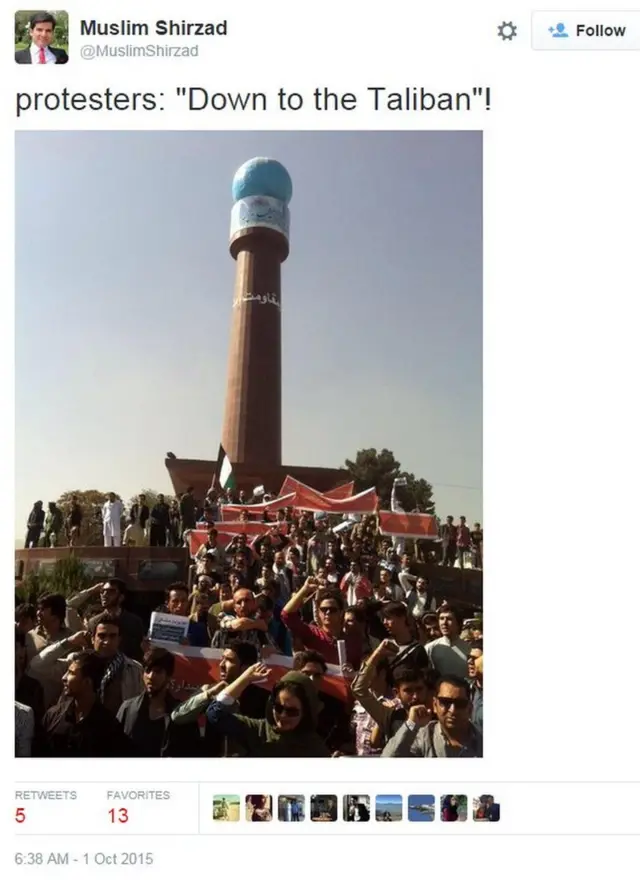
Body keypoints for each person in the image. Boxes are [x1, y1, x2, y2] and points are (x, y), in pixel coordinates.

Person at [206, 663, 331, 757]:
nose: (282, 716)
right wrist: (245, 678)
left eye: (292, 711)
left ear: (305, 712)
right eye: (278, 707)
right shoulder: (258, 730)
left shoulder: (316, 750)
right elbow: (215, 714)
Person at [171, 640, 269, 757]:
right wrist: (208, 694)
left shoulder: (263, 698)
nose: (221, 664)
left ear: (246, 668)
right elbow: (177, 716)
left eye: (229, 660)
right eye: (222, 658)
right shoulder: (210, 691)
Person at [40, 651, 132, 756]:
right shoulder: (53, 716)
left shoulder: (108, 727)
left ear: (87, 682)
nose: (64, 678)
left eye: (71, 673)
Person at [117, 647, 200, 757]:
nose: (151, 676)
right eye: (147, 670)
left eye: (158, 671)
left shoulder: (182, 716)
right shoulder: (128, 709)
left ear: (169, 676)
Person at [381, 675, 483, 757]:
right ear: (435, 705)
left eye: (460, 704)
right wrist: (411, 724)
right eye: (445, 702)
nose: (452, 710)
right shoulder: (424, 736)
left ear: (469, 709)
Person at [281, 580, 363, 668]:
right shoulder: (311, 633)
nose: (327, 613)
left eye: (332, 610)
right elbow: (286, 615)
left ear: (341, 613)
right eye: (323, 609)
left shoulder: (353, 641)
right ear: (319, 613)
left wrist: (352, 670)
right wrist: (305, 589)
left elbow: (360, 671)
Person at [425, 605, 471, 678]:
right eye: (441, 618)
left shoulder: (469, 649)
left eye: (449, 619)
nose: (444, 623)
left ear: (458, 623)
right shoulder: (430, 648)